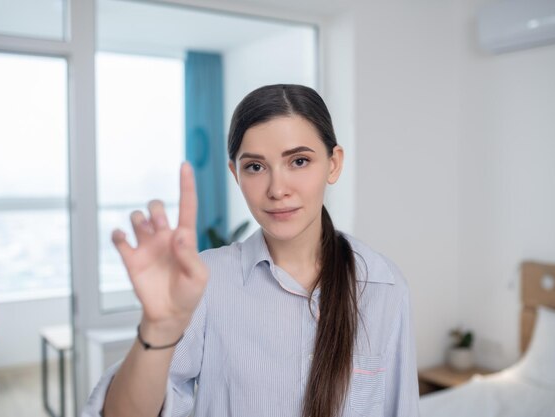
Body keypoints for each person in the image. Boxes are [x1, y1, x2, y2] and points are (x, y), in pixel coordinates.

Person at [83, 84, 419, 417]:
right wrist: (158, 326)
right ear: (235, 173)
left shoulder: (383, 286)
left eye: (299, 161)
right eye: (255, 167)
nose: (277, 189)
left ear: (333, 164)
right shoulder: (207, 281)